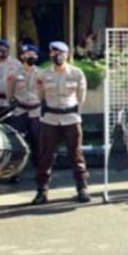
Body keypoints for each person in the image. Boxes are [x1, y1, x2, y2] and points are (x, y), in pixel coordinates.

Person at [34, 41, 90, 205]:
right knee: (45, 155)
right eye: (53, 53)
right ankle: (41, 191)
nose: (56, 56)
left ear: (66, 54)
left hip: (70, 118)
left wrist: (72, 109)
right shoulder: (43, 75)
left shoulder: (76, 73)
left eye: (60, 53)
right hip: (50, 119)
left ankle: (82, 188)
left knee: (76, 154)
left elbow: (81, 96)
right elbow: (40, 96)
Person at [6, 43, 43, 185]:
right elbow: (9, 93)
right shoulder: (14, 74)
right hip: (20, 111)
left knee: (38, 143)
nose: (30, 57)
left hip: (36, 111)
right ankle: (15, 173)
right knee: (18, 143)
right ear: (22, 56)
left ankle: (40, 172)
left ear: (36, 56)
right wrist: (13, 103)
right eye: (27, 55)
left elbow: (44, 93)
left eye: (32, 55)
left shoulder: (41, 73)